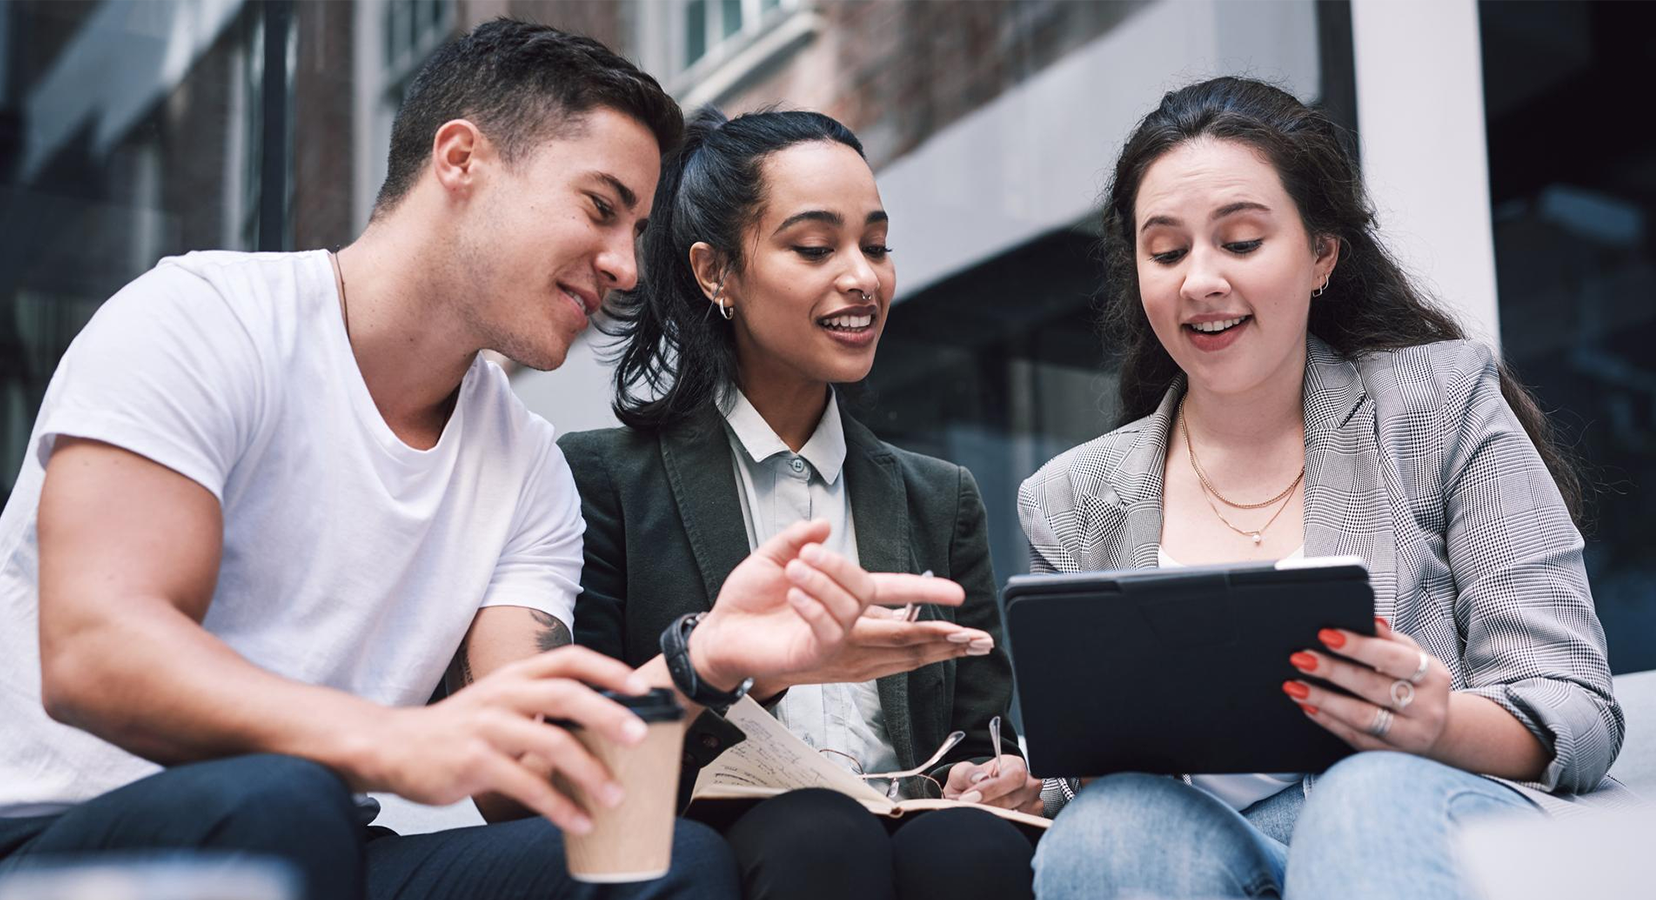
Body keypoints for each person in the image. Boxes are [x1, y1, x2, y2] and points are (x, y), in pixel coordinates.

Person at [0, 20, 966, 900]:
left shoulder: (528, 468)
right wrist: (390, 741)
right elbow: (95, 653)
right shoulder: (203, 320)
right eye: (601, 208)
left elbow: (537, 780)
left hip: (332, 842)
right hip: (69, 835)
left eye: (638, 230)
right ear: (461, 159)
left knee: (663, 867)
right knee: (282, 804)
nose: (629, 265)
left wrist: (702, 661)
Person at [1018, 76, 1628, 900]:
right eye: (1166, 252)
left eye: (1240, 242)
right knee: (1108, 833)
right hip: (1204, 857)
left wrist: (1436, 724)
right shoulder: (1071, 498)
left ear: (1321, 257)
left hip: (1416, 822)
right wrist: (1035, 780)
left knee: (1362, 795)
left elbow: (1577, 707)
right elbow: (1077, 773)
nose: (1199, 280)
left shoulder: (1438, 403)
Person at [559, 108, 1040, 900]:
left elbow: (981, 734)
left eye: (876, 245)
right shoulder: (604, 479)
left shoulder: (939, 498)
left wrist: (992, 779)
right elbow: (585, 746)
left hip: (910, 833)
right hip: (738, 842)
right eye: (816, 248)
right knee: (819, 833)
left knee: (975, 852)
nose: (863, 276)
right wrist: (747, 674)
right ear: (715, 273)